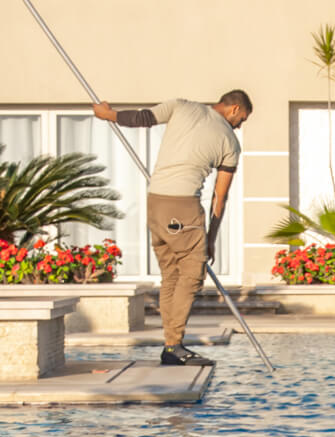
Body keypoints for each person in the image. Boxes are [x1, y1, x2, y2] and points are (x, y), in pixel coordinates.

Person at [92, 90, 252, 366]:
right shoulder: (230, 142)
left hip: (155, 204)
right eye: (243, 119)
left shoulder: (181, 106)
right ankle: (174, 346)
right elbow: (220, 197)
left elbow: (142, 118)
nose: (240, 125)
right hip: (183, 207)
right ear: (234, 109)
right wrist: (210, 238)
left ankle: (171, 344)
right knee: (192, 275)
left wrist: (108, 114)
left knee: (171, 276)